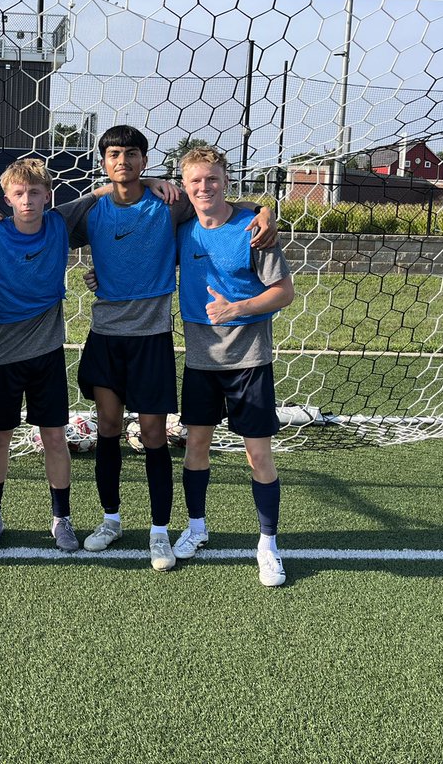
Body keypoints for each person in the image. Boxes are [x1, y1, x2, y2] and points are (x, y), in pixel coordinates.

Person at [19, 125, 276, 572]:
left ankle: (160, 532)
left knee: (155, 436)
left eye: (132, 154)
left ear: (144, 159)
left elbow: (219, 204)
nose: (123, 161)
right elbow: (36, 216)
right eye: (114, 154)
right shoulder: (90, 209)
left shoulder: (168, 204)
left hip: (152, 341)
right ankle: (111, 520)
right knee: (108, 430)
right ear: (103, 161)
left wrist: (266, 210)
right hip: (105, 338)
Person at [171, 145, 294, 587]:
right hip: (202, 361)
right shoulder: (182, 227)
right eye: (196, 181)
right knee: (195, 447)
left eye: (213, 179)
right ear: (185, 186)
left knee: (257, 454)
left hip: (249, 360)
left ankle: (267, 544)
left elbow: (283, 293)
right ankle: (197, 528)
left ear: (226, 180)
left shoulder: (254, 230)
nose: (205, 187)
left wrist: (237, 308)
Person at [0, 158, 78, 552]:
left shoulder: (59, 225)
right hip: (2, 354)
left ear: (48, 195)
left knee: (54, 437)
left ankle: (61, 520)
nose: (28, 199)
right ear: (7, 198)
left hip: (48, 353)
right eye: (19, 193)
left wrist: (153, 180)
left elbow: (107, 192)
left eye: (35, 192)